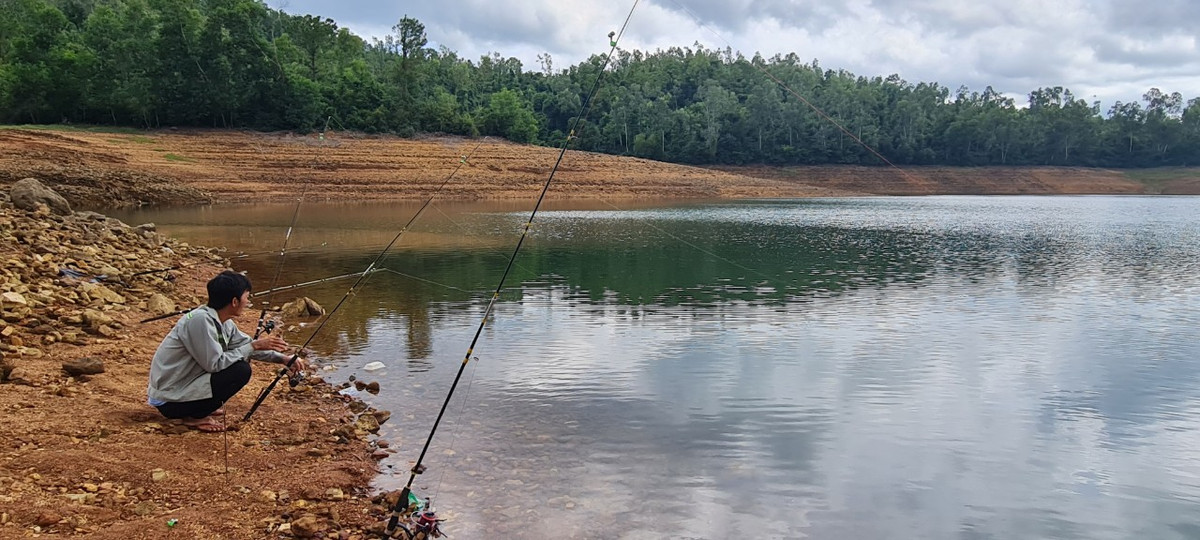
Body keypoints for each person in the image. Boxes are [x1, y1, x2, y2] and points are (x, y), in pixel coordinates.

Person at [146, 270, 304, 432]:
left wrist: (283, 359)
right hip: (169, 401)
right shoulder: (199, 321)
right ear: (234, 301)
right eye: (246, 297)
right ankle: (194, 416)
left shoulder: (222, 322)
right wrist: (254, 346)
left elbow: (246, 346)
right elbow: (215, 364)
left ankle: (198, 407)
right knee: (240, 370)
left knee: (239, 359)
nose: (248, 301)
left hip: (179, 391)